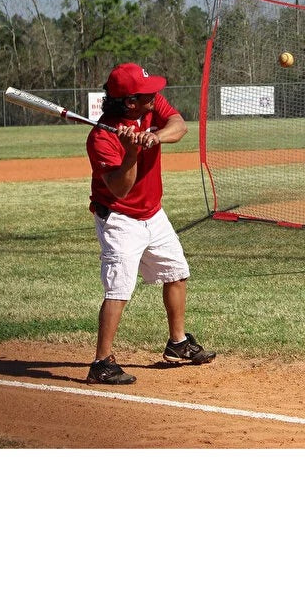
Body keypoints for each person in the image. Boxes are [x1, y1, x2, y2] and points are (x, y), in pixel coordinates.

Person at [85, 62, 216, 385]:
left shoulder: (150, 105)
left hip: (152, 212)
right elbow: (119, 188)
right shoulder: (102, 138)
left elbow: (179, 125)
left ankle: (178, 343)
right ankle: (101, 363)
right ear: (130, 102)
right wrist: (131, 153)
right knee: (119, 289)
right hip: (120, 218)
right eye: (147, 93)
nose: (155, 96)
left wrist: (153, 138)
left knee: (177, 272)